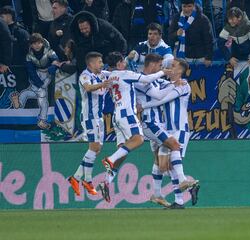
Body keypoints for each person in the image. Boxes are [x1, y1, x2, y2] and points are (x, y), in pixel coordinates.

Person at [98, 52, 172, 202]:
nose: (125, 63)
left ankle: (106, 181)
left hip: (116, 117)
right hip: (127, 114)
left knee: (123, 152)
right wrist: (162, 72)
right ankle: (110, 159)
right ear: (119, 63)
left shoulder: (110, 75)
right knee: (138, 140)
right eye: (123, 61)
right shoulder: (124, 73)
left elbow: (104, 72)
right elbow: (146, 79)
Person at [137, 58, 200, 209]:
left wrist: (142, 106)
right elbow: (156, 89)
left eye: (173, 66)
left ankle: (182, 186)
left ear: (180, 71)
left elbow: (162, 99)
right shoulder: (168, 84)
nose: (169, 67)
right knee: (163, 165)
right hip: (167, 129)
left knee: (171, 160)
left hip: (181, 129)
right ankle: (178, 197)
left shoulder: (184, 85)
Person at [68, 51, 111, 196]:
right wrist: (102, 84)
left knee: (97, 149)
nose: (101, 64)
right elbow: (88, 88)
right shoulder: (85, 75)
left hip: (99, 117)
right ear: (91, 64)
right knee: (94, 147)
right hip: (89, 117)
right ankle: (87, 180)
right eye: (99, 62)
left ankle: (75, 178)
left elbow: (113, 74)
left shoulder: (101, 75)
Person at [10, 33, 60, 129]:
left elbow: (56, 62)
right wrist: (39, 83)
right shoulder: (29, 56)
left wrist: (51, 69)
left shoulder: (50, 52)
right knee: (25, 94)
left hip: (47, 76)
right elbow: (31, 71)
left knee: (42, 99)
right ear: (31, 45)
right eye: (34, 44)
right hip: (36, 79)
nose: (36, 45)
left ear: (42, 43)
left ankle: (42, 120)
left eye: (38, 43)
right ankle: (18, 104)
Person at [168, 0, 214, 66]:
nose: (187, 9)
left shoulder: (203, 19)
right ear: (181, 6)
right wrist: (176, 34)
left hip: (201, 57)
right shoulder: (176, 18)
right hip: (183, 57)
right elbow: (170, 37)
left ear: (194, 5)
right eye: (184, 6)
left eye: (189, 6)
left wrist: (209, 57)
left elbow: (209, 40)